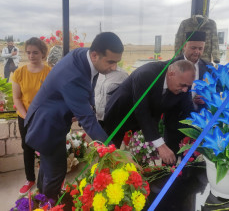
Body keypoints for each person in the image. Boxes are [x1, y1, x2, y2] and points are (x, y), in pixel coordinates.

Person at [25, 32, 124, 200]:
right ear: (95, 55)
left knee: (48, 169)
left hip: (51, 118)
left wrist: (89, 104)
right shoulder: (74, 76)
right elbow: (89, 122)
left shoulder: (84, 55)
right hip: (46, 126)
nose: (114, 67)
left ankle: (42, 198)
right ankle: (49, 203)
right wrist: (111, 150)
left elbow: (90, 83)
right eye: (111, 62)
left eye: (117, 62)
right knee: (56, 170)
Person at [104, 60, 195, 165]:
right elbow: (142, 110)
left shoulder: (184, 83)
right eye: (183, 85)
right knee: (110, 155)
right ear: (171, 74)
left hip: (148, 121)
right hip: (121, 113)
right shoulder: (146, 74)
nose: (185, 90)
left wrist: (198, 132)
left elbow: (188, 109)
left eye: (188, 86)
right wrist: (160, 145)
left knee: (142, 159)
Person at [12, 37, 51, 195]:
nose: (31, 56)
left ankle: (48, 177)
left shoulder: (49, 72)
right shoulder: (19, 73)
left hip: (44, 117)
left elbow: (53, 96)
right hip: (25, 117)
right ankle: (30, 179)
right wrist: (26, 116)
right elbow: (16, 98)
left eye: (35, 52)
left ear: (43, 53)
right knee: (27, 148)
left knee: (46, 148)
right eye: (28, 52)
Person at [172, 31, 212, 111]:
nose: (197, 52)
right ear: (185, 46)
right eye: (193, 48)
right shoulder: (172, 65)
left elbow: (217, 87)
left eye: (200, 49)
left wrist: (207, 96)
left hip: (201, 117)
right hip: (177, 116)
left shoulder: (208, 67)